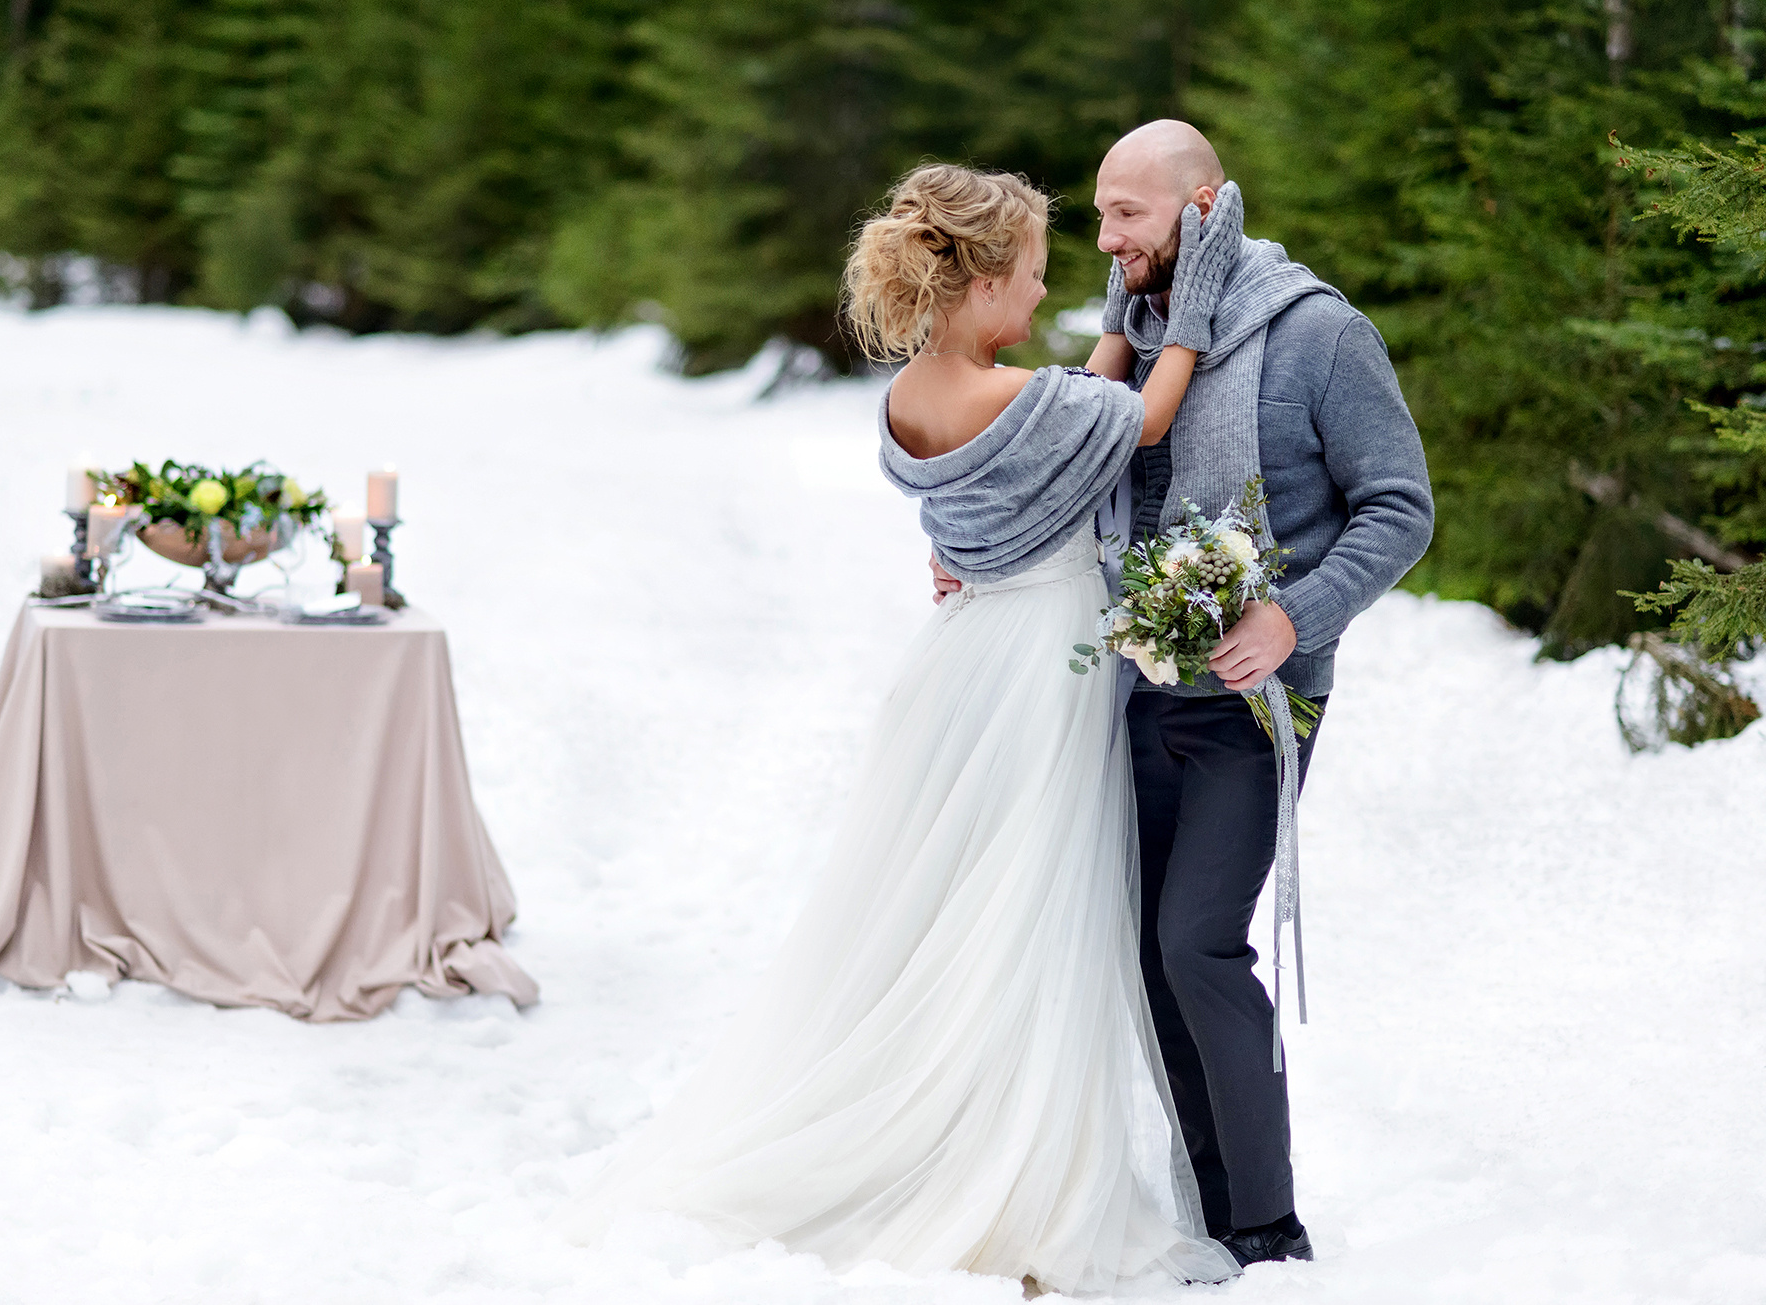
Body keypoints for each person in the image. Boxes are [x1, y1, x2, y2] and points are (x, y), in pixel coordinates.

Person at [557, 163, 1242, 1291]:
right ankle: (992, 1159)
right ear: (975, 287)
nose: (1039, 298)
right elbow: (1140, 413)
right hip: (1036, 670)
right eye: (1027, 277)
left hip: (963, 660)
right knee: (1024, 906)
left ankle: (949, 1119)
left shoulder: (914, 397)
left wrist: (1117, 329)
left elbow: (1071, 404)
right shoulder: (1019, 398)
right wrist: (1189, 301)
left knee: (949, 905)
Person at [933, 121, 1435, 1267]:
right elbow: (1057, 469)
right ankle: (1208, 1216)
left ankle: (1268, 1228)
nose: (1105, 241)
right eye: (1099, 215)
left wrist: (1290, 615)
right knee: (1142, 947)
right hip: (1126, 691)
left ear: (1202, 207)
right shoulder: (1136, 331)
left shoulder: (1315, 332)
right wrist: (974, 551)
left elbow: (1398, 509)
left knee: (1198, 942)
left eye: (1127, 216)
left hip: (1256, 702)